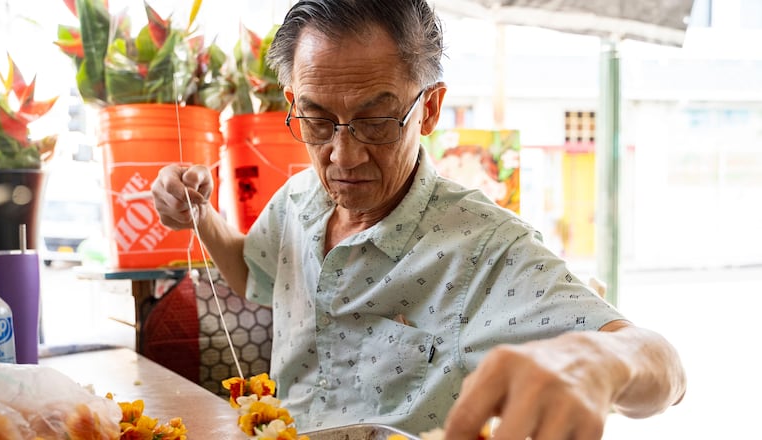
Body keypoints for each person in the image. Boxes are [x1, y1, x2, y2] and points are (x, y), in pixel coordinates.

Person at [151, 0, 686, 438]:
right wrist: (201, 215)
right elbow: (256, 274)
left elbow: (664, 367)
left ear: (428, 109)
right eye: (317, 120)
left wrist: (597, 361)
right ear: (293, 102)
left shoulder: (482, 247)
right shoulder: (298, 200)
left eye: (376, 121)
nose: (343, 156)